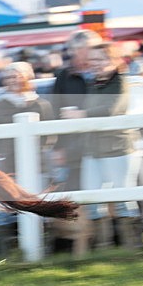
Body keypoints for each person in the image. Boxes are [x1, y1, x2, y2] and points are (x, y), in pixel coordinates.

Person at [79, 43, 143, 249]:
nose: (94, 64)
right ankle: (103, 249)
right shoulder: (93, 84)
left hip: (118, 148)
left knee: (124, 199)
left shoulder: (121, 82)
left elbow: (111, 109)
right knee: (93, 200)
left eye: (99, 60)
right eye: (92, 60)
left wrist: (82, 115)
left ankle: (132, 247)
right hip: (93, 149)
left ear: (113, 60)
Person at [51, 29, 101, 194]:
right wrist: (59, 146)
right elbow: (55, 111)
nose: (82, 54)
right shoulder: (63, 76)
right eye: (78, 50)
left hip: (102, 140)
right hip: (73, 143)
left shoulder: (105, 72)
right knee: (75, 190)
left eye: (87, 49)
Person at [0, 62, 55, 175]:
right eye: (8, 78)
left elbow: (49, 133)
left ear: (27, 77)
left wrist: (39, 149)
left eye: (16, 76)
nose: (12, 81)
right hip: (10, 163)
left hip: (37, 161)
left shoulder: (40, 104)